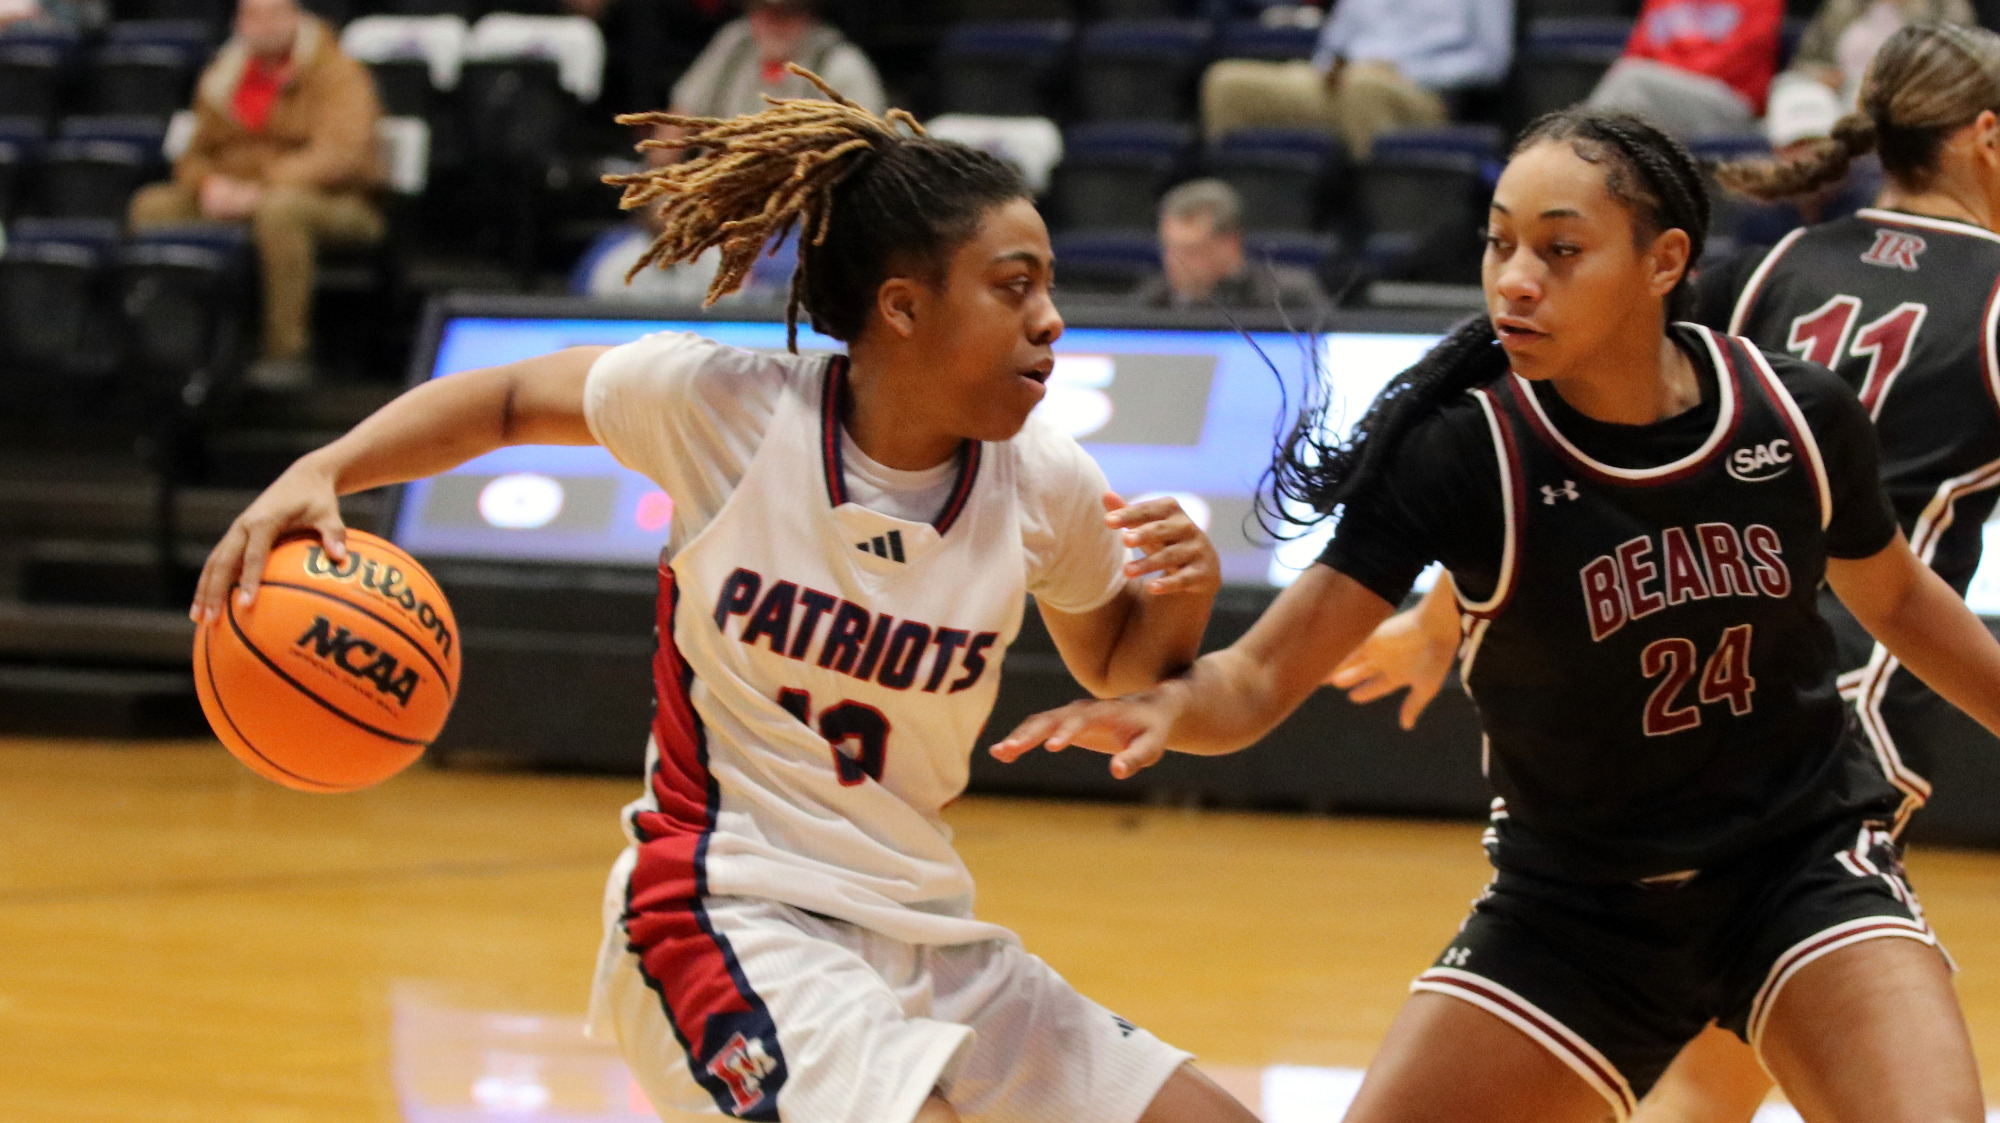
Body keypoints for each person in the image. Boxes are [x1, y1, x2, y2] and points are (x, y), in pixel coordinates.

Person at [187, 70, 1261, 1123]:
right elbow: (510, 398)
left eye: (1047, 286)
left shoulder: (1043, 478)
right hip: (722, 914)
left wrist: (1183, 594)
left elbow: (1119, 665)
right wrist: (322, 469)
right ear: (901, 306)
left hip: (923, 927)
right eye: (1014, 285)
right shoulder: (724, 410)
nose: (1051, 320)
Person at [995, 105, 2000, 1123]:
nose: (1514, 276)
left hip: (1793, 870)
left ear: (1663, 261)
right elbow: (1254, 681)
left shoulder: (1790, 413)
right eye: (1499, 241)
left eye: (1559, 249)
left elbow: (1900, 601)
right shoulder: (1461, 455)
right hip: (1575, 908)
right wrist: (1172, 708)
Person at [1335, 26, 2000, 1121]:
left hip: (1694, 674)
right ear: (1984, 138)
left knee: (1717, 1058)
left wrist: (1435, 617)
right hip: (1839, 714)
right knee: (1738, 1031)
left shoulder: (1782, 262)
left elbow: (1601, 450)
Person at [127, 0, 384, 390]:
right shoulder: (226, 75)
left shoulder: (338, 72)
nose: (260, 26)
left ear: (296, 17)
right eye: (251, 16)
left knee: (280, 212)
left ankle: (286, 353)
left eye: (271, 15)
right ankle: (169, 343)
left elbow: (340, 156)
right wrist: (208, 185)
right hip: (235, 192)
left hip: (334, 202)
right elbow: (193, 153)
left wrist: (261, 186)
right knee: (152, 207)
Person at [1198, 0, 1512, 157]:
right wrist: (1331, 67)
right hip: (1344, 79)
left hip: (1420, 90)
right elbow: (1333, 45)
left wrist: (1401, 72)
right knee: (1226, 84)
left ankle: (1369, 220)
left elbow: (1490, 62)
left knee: (1364, 87)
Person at [1587, 0, 1782, 140]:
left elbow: (1736, 60)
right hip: (1665, 102)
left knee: (1631, 78)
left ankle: (1574, 147)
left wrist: (1666, 74)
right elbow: (1637, 52)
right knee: (1627, 92)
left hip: (1729, 106)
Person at [1129, 179, 1332, 312]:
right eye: (1169, 248)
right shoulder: (1151, 301)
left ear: (1231, 244)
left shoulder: (1288, 297)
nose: (1173, 261)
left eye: (1190, 251)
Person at [669, 0, 885, 120]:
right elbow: (678, 120)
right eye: (761, 9)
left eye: (786, 12)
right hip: (720, 188)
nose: (771, 22)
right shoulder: (734, 43)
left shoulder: (843, 66)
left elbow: (866, 156)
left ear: (810, 12)